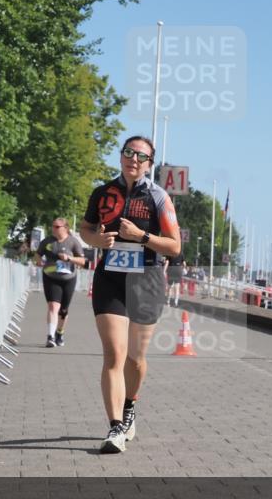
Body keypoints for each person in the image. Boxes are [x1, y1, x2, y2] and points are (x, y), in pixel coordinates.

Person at [79, 136, 181, 454]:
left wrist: (142, 236)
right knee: (114, 354)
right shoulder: (102, 193)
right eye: (128, 152)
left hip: (146, 281)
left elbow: (175, 246)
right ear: (121, 156)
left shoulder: (158, 197)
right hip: (110, 278)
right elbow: (85, 229)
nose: (133, 159)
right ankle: (115, 427)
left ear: (149, 163)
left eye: (141, 156)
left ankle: (129, 406)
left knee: (135, 359)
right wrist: (97, 241)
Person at [35, 217, 86, 347]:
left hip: (68, 279)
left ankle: (60, 332)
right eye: (53, 226)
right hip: (51, 277)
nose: (53, 229)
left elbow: (82, 261)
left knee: (63, 310)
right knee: (53, 306)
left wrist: (69, 258)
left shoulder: (73, 242)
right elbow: (38, 254)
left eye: (57, 227)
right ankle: (50, 336)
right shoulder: (47, 241)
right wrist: (39, 260)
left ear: (65, 228)